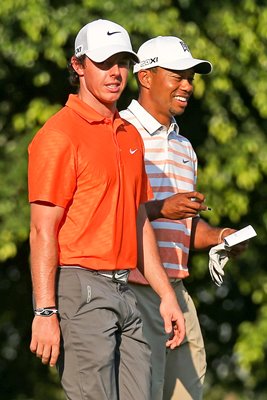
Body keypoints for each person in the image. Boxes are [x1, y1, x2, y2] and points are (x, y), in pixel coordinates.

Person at [28, 22, 185, 400]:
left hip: (125, 289)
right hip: (79, 286)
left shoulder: (128, 134)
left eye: (122, 63)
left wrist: (166, 295)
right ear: (79, 65)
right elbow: (41, 230)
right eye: (104, 63)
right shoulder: (58, 135)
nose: (115, 73)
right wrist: (45, 312)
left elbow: (138, 219)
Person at [120, 36, 246, 400]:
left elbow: (183, 228)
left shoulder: (184, 146)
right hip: (133, 287)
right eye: (178, 75)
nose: (188, 86)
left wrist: (221, 235)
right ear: (145, 77)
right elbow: (111, 213)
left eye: (190, 77)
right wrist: (162, 207)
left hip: (175, 288)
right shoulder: (119, 132)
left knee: (188, 394)